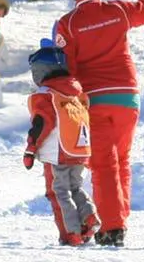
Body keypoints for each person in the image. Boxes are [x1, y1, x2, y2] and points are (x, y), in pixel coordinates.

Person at [52, 0, 144, 247]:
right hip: (127, 96)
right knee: (122, 159)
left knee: (103, 164)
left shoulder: (68, 23)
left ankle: (112, 228)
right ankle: (119, 219)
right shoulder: (118, 10)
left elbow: (68, 67)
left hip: (95, 99)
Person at [21, 47, 98, 247]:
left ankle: (70, 234)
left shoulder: (46, 94)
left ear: (42, 70)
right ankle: (89, 219)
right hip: (79, 149)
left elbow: (41, 124)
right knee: (76, 187)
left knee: (58, 192)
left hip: (58, 153)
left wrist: (30, 149)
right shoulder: (76, 92)